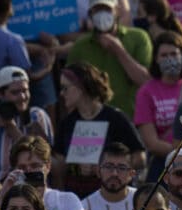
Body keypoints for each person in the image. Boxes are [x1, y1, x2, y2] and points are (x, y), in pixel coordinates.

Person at [53, 62, 146, 194]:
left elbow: (140, 157)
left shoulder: (116, 119)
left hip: (113, 194)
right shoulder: (67, 123)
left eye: (65, 88)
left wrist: (109, 168)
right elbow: (59, 163)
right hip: (77, 199)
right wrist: (77, 168)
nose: (62, 94)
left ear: (81, 87)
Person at [67, 0, 153, 119]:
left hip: (132, 117)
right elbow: (69, 90)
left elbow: (145, 81)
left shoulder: (139, 37)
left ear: (117, 11)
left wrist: (119, 50)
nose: (102, 14)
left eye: (107, 9)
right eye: (97, 10)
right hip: (94, 120)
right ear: (90, 14)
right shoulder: (80, 45)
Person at [134, 31, 182, 180]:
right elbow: (152, 143)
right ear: (156, 59)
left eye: (174, 54)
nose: (170, 59)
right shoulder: (146, 92)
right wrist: (181, 155)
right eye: (164, 55)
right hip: (165, 163)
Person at [3, 135, 88, 210]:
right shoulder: (11, 205)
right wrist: (3, 195)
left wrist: (39, 205)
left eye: (35, 166)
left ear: (47, 167)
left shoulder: (67, 200)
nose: (29, 172)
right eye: (22, 167)